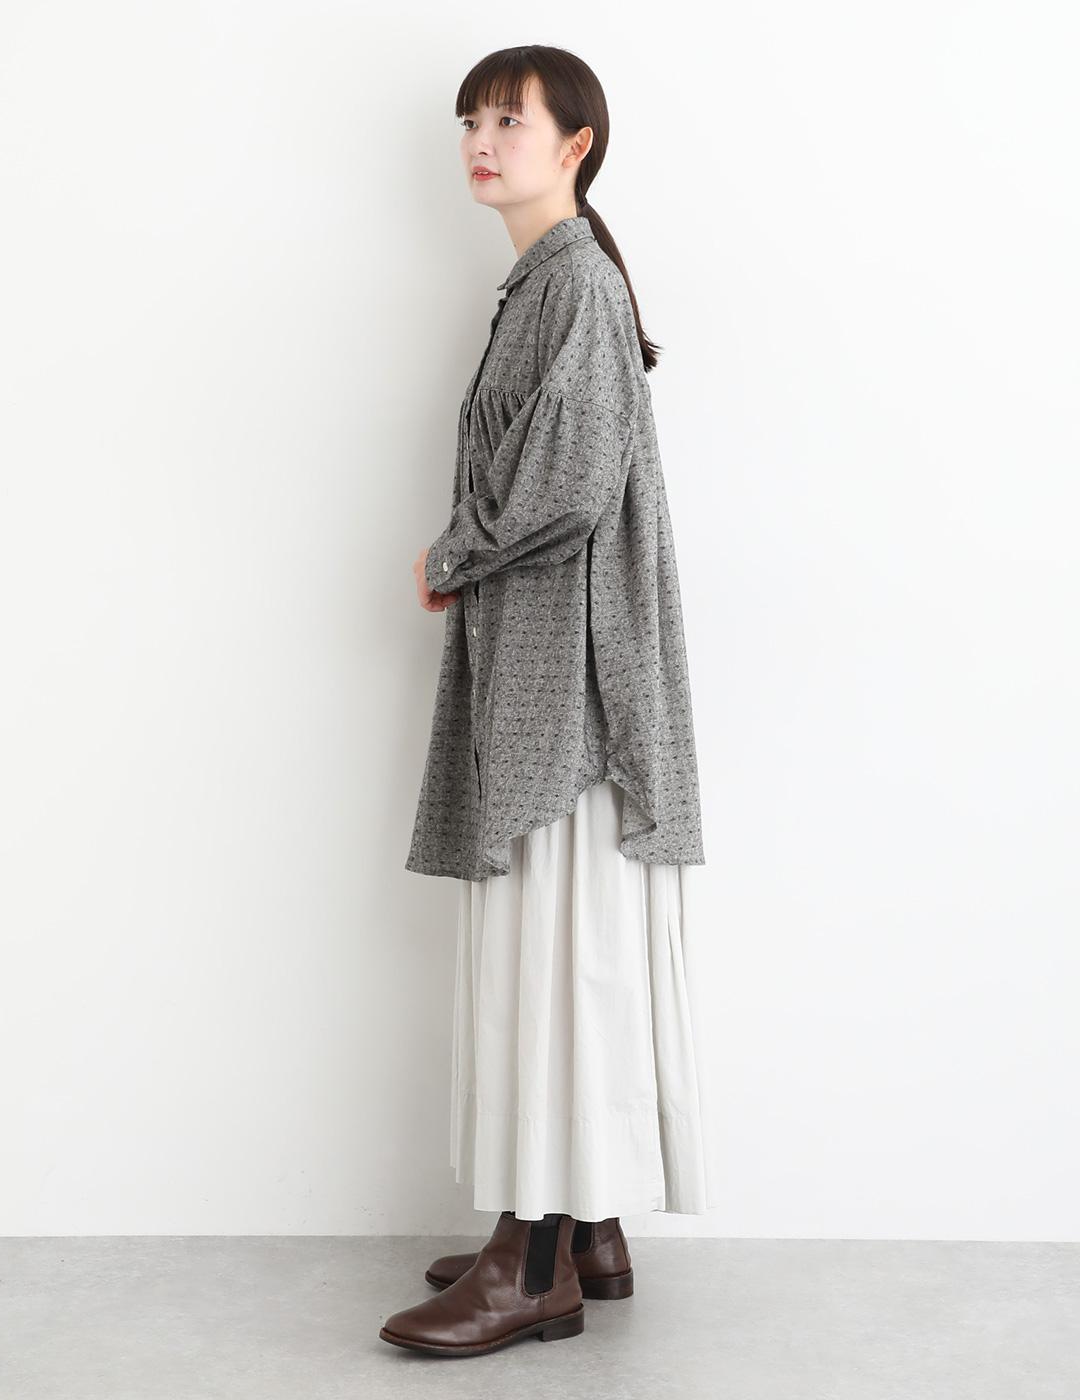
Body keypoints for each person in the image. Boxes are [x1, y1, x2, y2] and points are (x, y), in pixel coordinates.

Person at [381, 45, 714, 1358]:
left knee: (556, 954)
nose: (481, 138)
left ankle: (534, 1268)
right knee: (560, 950)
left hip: (569, 687)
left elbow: (567, 484)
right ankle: (587, 1230)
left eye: (509, 119)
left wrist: (450, 555)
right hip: (552, 667)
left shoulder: (571, 279)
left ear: (576, 145)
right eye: (471, 118)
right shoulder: (549, 280)